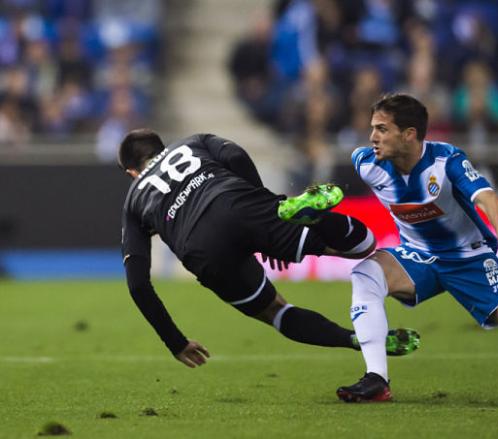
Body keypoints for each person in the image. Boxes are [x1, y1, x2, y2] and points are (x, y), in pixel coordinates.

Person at [335, 94, 498, 402]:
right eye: (373, 128)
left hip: (469, 258)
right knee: (365, 274)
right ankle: (377, 379)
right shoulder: (366, 162)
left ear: (409, 134)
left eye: (382, 129)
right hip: (418, 256)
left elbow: (486, 196)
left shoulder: (447, 161)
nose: (373, 137)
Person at [118, 129, 420, 368]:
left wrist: (175, 341)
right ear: (161, 146)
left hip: (202, 251)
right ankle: (301, 212)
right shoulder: (192, 142)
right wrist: (263, 202)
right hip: (237, 203)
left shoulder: (134, 199)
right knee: (363, 245)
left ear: (132, 172)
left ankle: (357, 339)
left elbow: (138, 285)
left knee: (276, 312)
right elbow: (235, 155)